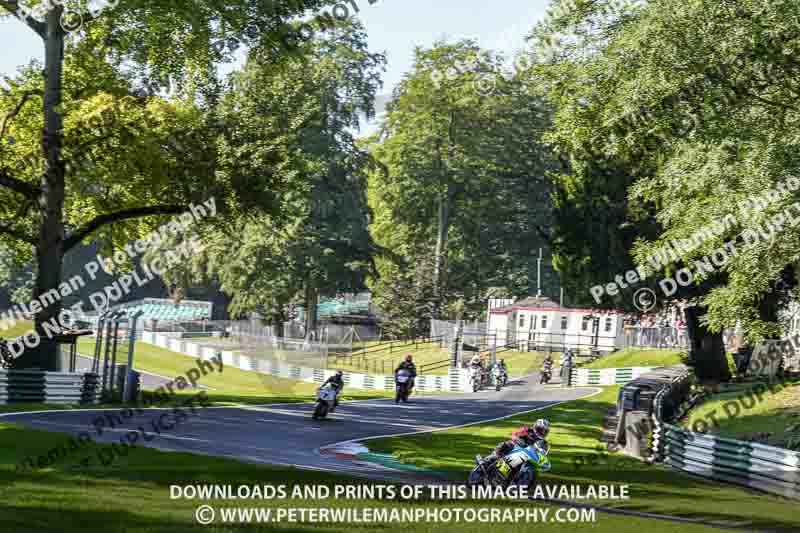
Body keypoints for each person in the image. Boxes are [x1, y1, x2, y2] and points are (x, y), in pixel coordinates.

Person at [479, 419, 551, 468]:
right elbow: (515, 434)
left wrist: (541, 453)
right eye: (541, 430)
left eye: (545, 431)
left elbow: (544, 453)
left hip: (527, 456)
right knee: (507, 444)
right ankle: (487, 460)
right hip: (516, 447)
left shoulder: (543, 442)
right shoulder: (527, 430)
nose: (542, 433)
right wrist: (516, 439)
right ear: (536, 427)